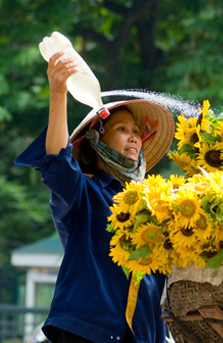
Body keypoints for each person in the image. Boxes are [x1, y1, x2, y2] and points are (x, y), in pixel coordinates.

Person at [15, 51, 175, 342]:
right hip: (86, 333)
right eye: (122, 129)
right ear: (95, 141)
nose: (134, 137)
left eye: (137, 131)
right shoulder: (83, 194)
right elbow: (58, 160)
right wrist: (58, 93)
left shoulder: (155, 209)